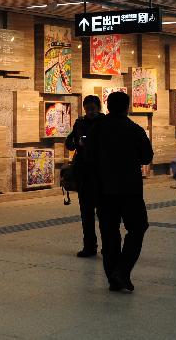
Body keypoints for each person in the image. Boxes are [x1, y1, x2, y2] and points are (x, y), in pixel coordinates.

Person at [85, 91, 153, 293]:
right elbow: (146, 157)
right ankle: (122, 271)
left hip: (103, 189)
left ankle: (113, 276)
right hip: (130, 189)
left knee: (109, 232)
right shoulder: (134, 129)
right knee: (138, 227)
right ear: (127, 107)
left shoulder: (97, 129)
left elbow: (89, 157)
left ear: (107, 106)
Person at [64, 95, 104, 257]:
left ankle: (107, 246)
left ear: (98, 108)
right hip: (84, 173)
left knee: (104, 213)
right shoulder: (80, 123)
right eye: (87, 109)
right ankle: (89, 246)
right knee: (86, 213)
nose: (90, 112)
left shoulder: (105, 123)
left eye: (93, 108)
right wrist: (77, 142)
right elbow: (69, 142)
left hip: (101, 173)